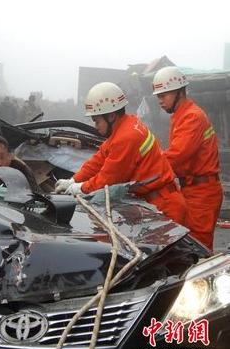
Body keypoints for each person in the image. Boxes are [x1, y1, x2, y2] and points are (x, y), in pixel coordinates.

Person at [55, 82, 186, 225]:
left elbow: (107, 181)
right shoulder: (126, 125)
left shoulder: (126, 138)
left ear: (111, 116)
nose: (95, 126)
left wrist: (79, 188)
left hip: (164, 206)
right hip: (158, 201)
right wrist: (73, 180)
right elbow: (98, 161)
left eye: (97, 121)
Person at [152, 66, 223, 251]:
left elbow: (177, 156)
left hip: (202, 193)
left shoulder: (191, 116)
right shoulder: (181, 115)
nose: (160, 100)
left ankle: (205, 279)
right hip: (193, 189)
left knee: (198, 247)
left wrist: (147, 167)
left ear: (179, 92)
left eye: (163, 95)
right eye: (158, 96)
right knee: (188, 245)